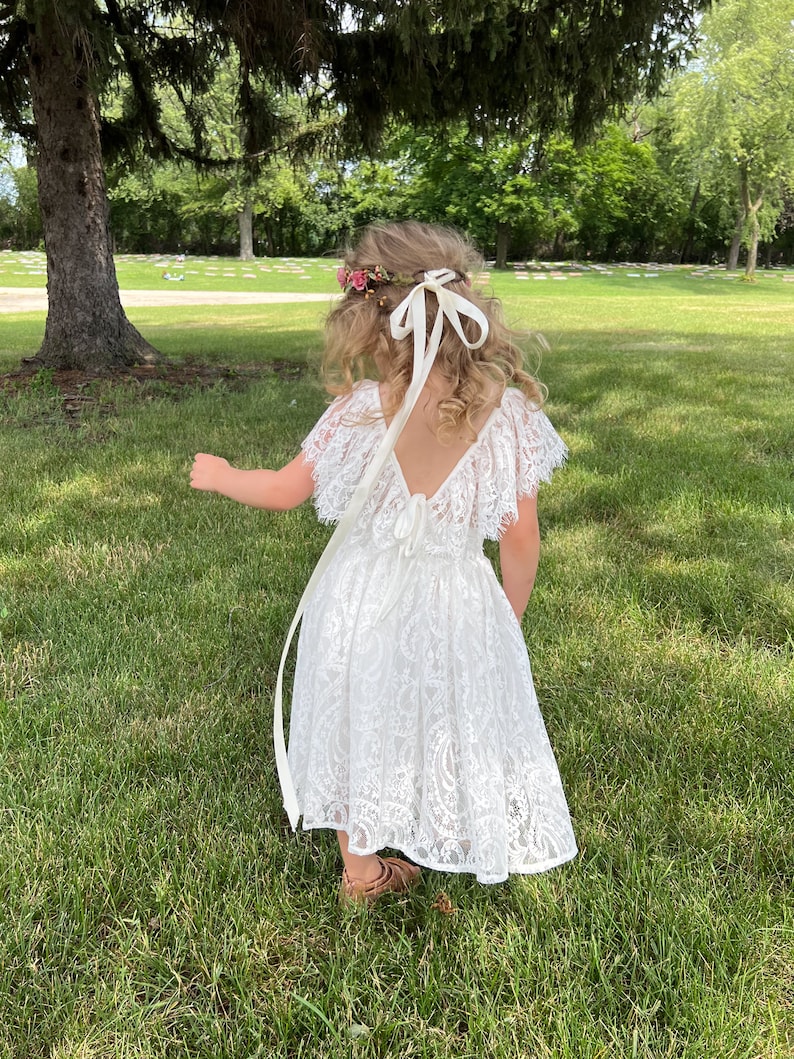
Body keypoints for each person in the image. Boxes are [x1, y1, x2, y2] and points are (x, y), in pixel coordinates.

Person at [190, 221, 577, 905]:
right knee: (438, 714)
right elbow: (520, 536)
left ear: (371, 320)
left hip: (359, 601)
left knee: (360, 714)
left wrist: (222, 474)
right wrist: (506, 616)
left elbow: (284, 489)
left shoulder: (359, 412)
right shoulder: (506, 415)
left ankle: (361, 870)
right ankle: (435, 824)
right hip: (453, 601)